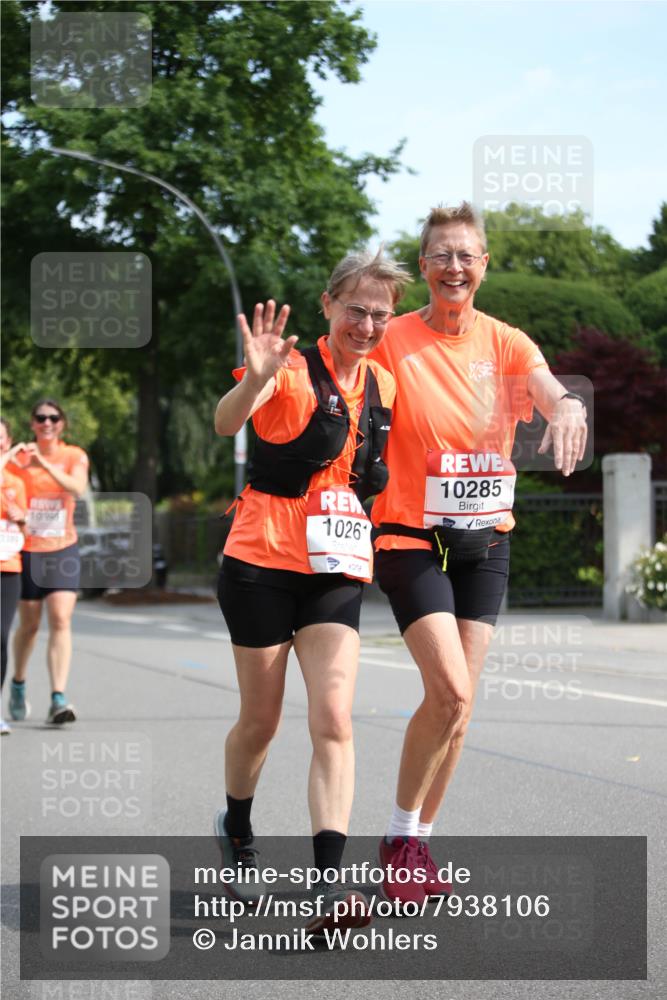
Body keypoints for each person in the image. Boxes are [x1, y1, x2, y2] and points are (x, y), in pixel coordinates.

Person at [370, 203, 588, 904]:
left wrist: (569, 411)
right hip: (408, 535)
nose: (453, 267)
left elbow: (550, 390)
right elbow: (337, 385)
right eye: (440, 255)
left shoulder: (506, 343)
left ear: (483, 265)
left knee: (458, 709)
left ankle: (416, 847)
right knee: (452, 689)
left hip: (484, 540)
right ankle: (397, 840)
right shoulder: (391, 340)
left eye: (466, 255)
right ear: (424, 265)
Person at [213, 250, 410, 932]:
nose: (366, 323)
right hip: (260, 560)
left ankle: (328, 887)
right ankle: (237, 827)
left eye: (379, 314)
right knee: (261, 721)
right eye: (354, 309)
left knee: (333, 718)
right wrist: (255, 379)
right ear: (327, 305)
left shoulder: (382, 384)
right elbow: (226, 421)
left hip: (334, 566)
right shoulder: (290, 370)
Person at [8, 399, 89, 724]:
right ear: (32, 424)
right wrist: (11, 456)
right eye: (40, 418)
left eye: (53, 418)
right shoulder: (19, 461)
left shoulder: (73, 456)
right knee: (29, 625)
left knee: (60, 618)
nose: (47, 423)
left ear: (62, 424)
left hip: (62, 548)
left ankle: (58, 697)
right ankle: (18, 682)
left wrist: (43, 464)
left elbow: (78, 487)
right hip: (26, 548)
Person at [1, 419, 28, 735]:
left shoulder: (16, 482)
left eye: (1, 438)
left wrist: (23, 521)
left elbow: (27, 527)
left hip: (8, 565)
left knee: (0, 637)